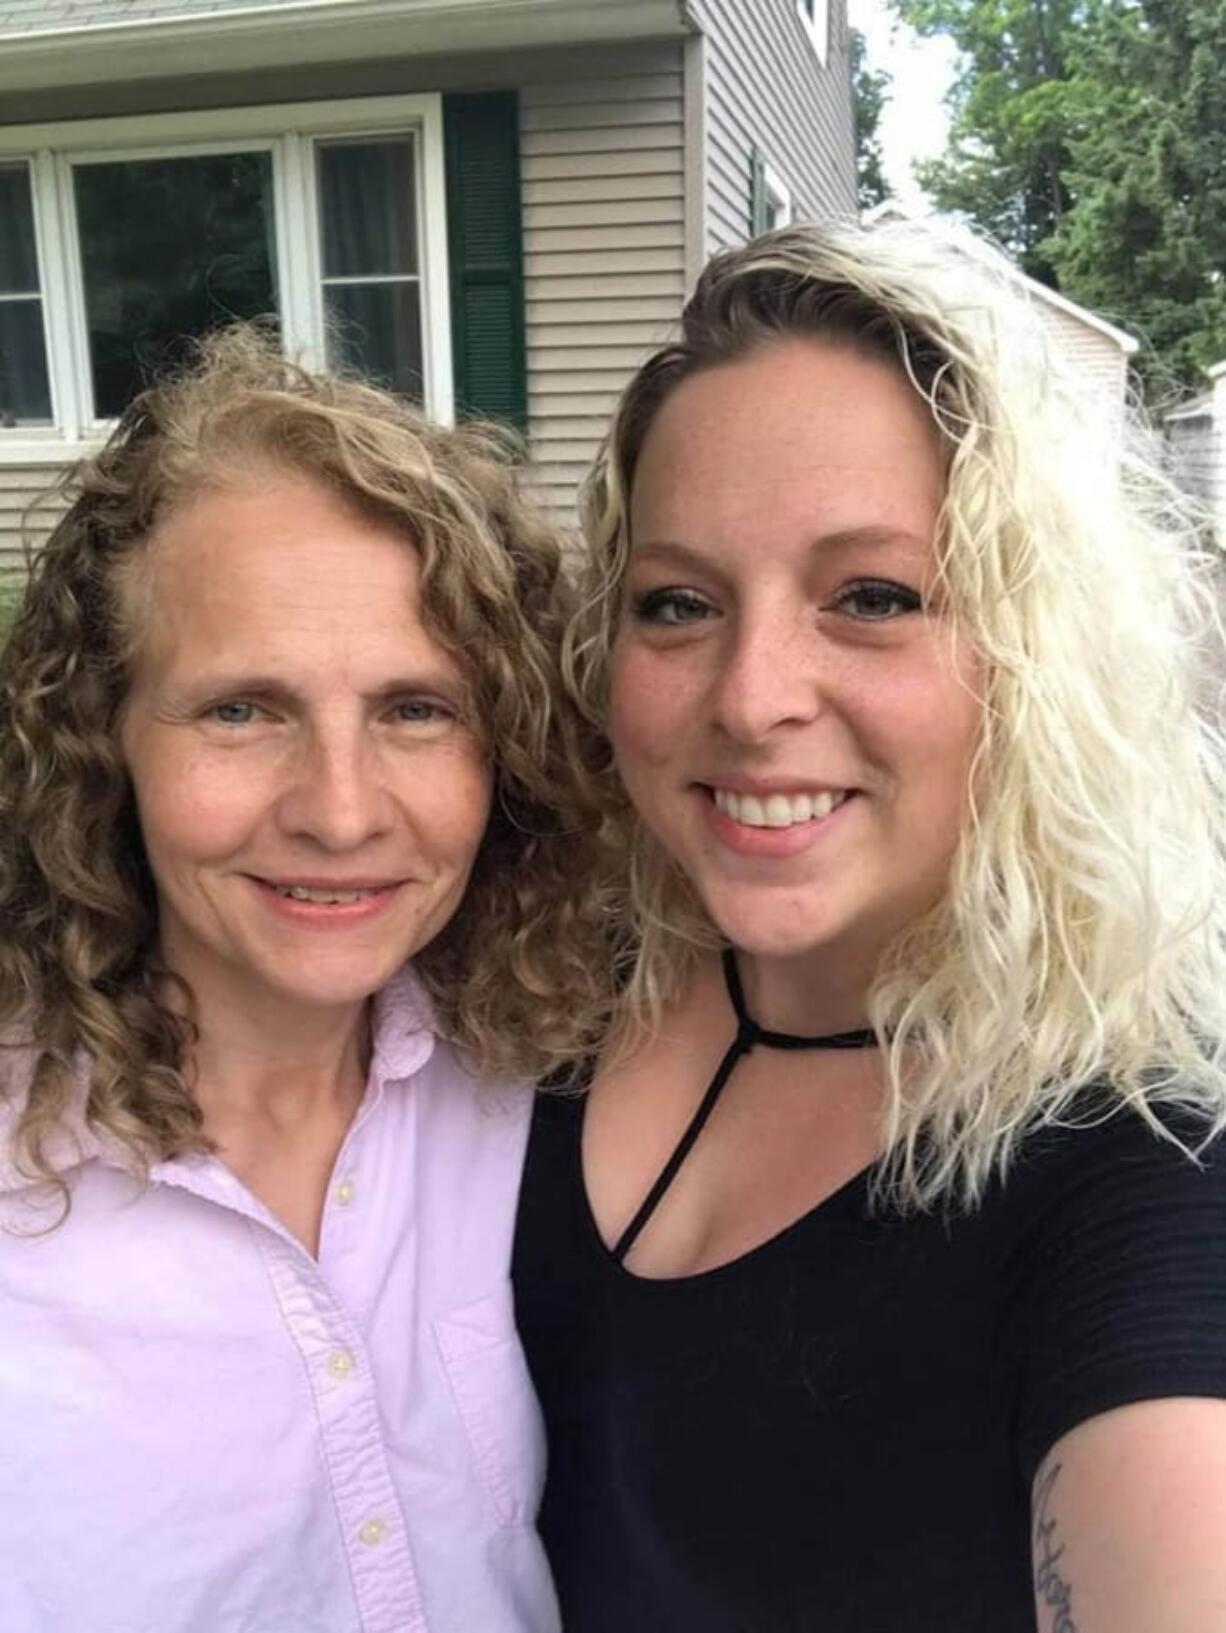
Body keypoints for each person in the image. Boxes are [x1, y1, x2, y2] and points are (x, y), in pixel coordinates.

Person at [512, 222, 1226, 1632]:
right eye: (678, 603)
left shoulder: (1135, 1152)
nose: (750, 694)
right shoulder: (536, 1003)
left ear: (1032, 653)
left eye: (872, 597)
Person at [0, 326, 609, 1633]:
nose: (340, 813)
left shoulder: (526, 1078)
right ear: (100, 736)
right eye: (241, 709)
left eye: (415, 708)